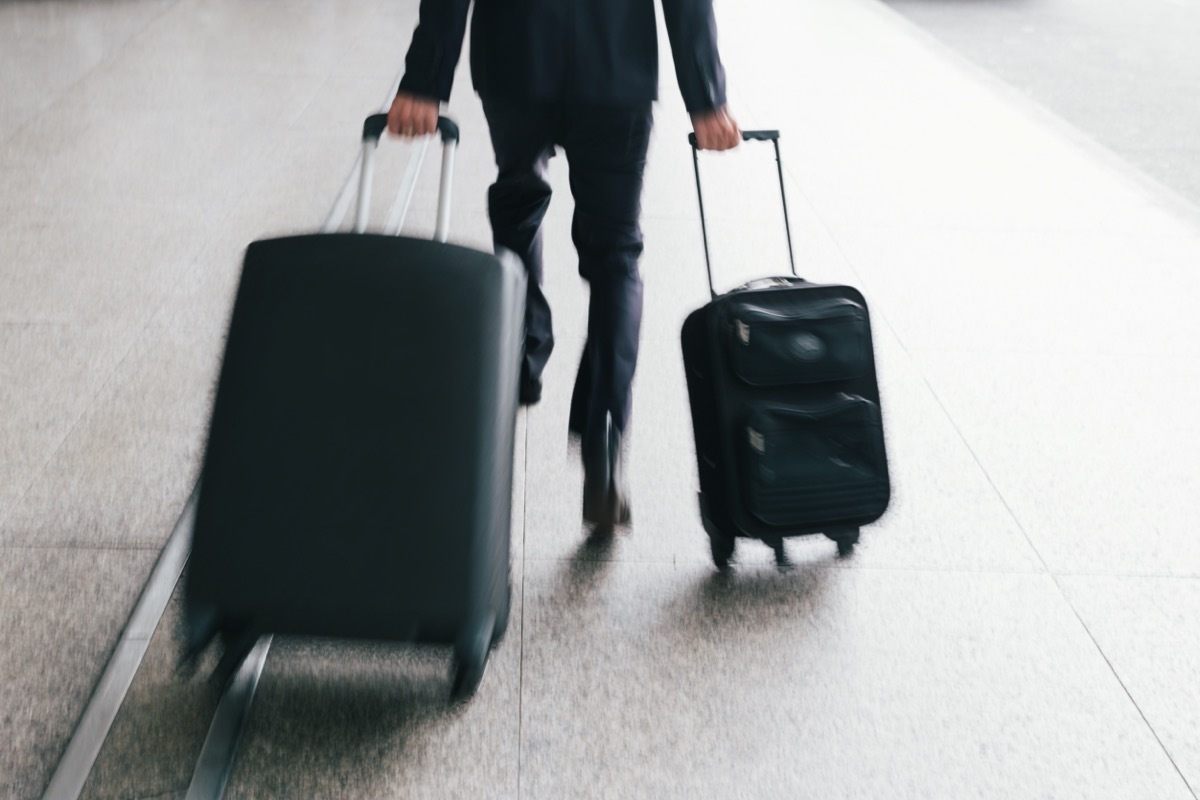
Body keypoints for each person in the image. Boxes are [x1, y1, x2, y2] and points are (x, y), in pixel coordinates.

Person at [388, 0, 739, 530]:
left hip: (517, 59)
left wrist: (424, 81)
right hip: (616, 68)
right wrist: (706, 97)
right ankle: (604, 426)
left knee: (519, 205)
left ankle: (522, 355)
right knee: (616, 254)